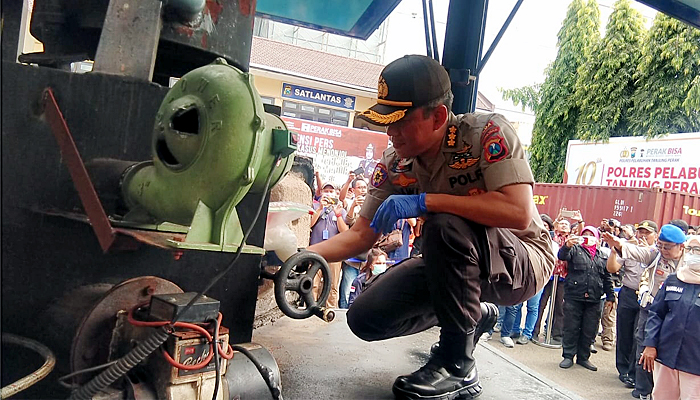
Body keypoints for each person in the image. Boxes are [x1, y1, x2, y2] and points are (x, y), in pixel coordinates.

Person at [306, 54, 554, 400]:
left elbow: (517, 212)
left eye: (399, 122)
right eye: (386, 123)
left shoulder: (486, 135)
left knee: (444, 224)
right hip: (454, 264)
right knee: (365, 318)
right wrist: (301, 256)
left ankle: (457, 364)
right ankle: (474, 315)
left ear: (438, 116)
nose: (390, 133)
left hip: (522, 260)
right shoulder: (396, 164)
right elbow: (362, 234)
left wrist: (427, 201)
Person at [602, 224, 687, 400]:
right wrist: (618, 245)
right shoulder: (655, 255)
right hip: (651, 308)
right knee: (643, 346)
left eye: (668, 247)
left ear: (681, 246)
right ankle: (642, 390)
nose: (663, 250)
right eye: (661, 245)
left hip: (676, 313)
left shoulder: (689, 263)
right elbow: (636, 252)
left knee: (666, 350)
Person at [639, 235, 700, 400]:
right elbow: (657, 313)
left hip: (695, 363)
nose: (694, 254)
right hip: (666, 356)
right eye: (692, 250)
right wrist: (650, 344)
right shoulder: (674, 279)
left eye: (698, 250)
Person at [607, 220, 657, 389]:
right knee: (625, 332)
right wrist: (615, 251)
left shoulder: (657, 253)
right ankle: (622, 369)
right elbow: (612, 268)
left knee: (639, 335)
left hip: (647, 298)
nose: (642, 236)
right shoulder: (630, 249)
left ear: (655, 236)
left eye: (647, 233)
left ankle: (634, 373)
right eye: (640, 232)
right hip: (629, 293)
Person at [558, 226, 614, 371]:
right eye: (585, 235)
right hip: (574, 295)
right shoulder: (574, 250)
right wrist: (567, 245)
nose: (588, 237)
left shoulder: (602, 255)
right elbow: (562, 256)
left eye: (591, 235)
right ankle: (568, 356)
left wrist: (611, 296)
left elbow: (607, 277)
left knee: (589, 329)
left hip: (594, 298)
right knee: (571, 327)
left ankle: (583, 357)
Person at [309, 183, 348, 309]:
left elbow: (345, 232)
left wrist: (338, 214)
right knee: (312, 283)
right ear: (321, 193)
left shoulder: (341, 210)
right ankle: (311, 307)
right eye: (326, 191)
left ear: (336, 194)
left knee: (332, 285)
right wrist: (320, 208)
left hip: (335, 254)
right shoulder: (315, 206)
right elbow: (309, 224)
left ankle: (330, 310)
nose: (329, 194)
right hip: (316, 251)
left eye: (331, 192)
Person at [533, 219, 569, 345]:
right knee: (541, 303)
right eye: (561, 223)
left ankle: (556, 334)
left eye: (566, 224)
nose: (563, 225)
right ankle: (534, 330)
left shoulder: (571, 240)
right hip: (549, 274)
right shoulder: (551, 237)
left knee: (559, 307)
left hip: (563, 277)